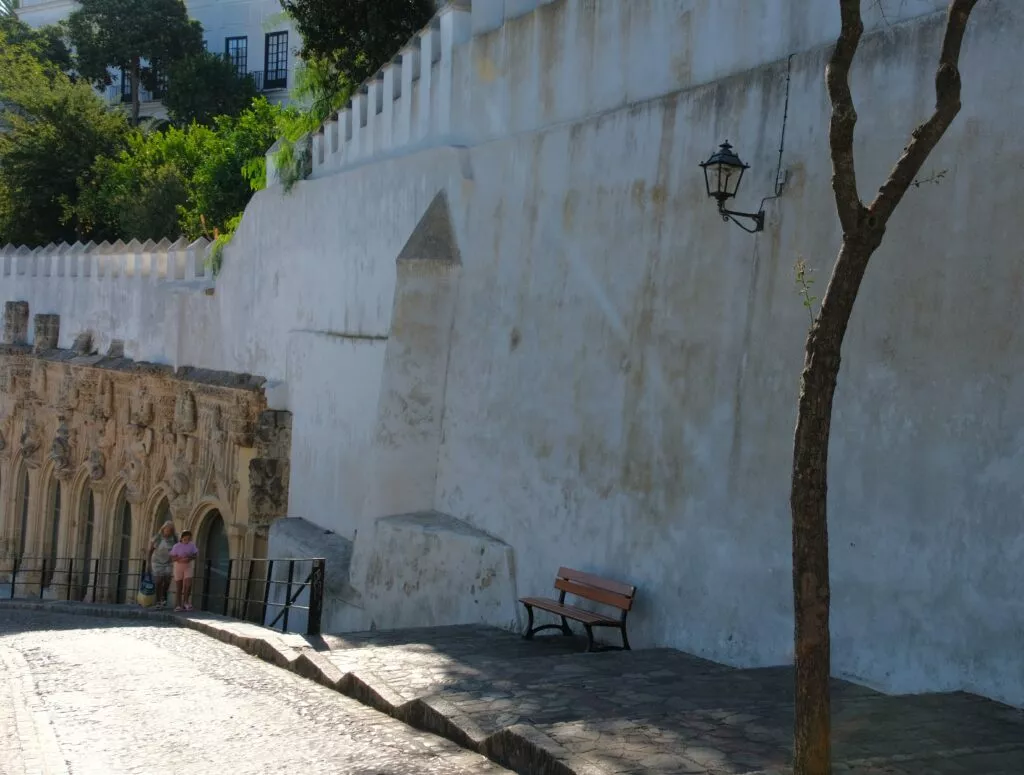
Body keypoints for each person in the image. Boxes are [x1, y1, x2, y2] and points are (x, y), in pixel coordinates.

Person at [147, 521, 177, 609]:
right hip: (157, 562)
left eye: (170, 530)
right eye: (166, 530)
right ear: (163, 529)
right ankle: (158, 601)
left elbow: (177, 549)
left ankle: (164, 597)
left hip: (168, 562)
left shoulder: (174, 538)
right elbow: (150, 550)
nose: (167, 532)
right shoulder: (157, 537)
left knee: (167, 580)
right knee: (159, 581)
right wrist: (148, 563)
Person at [170, 530, 199, 612]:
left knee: (188, 584)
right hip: (178, 566)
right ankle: (178, 604)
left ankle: (186, 602)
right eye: (185, 539)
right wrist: (179, 558)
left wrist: (190, 557)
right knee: (179, 586)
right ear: (182, 538)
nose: (187, 540)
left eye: (189, 538)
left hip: (188, 566)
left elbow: (195, 554)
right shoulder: (176, 546)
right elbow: (172, 558)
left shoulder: (192, 545)